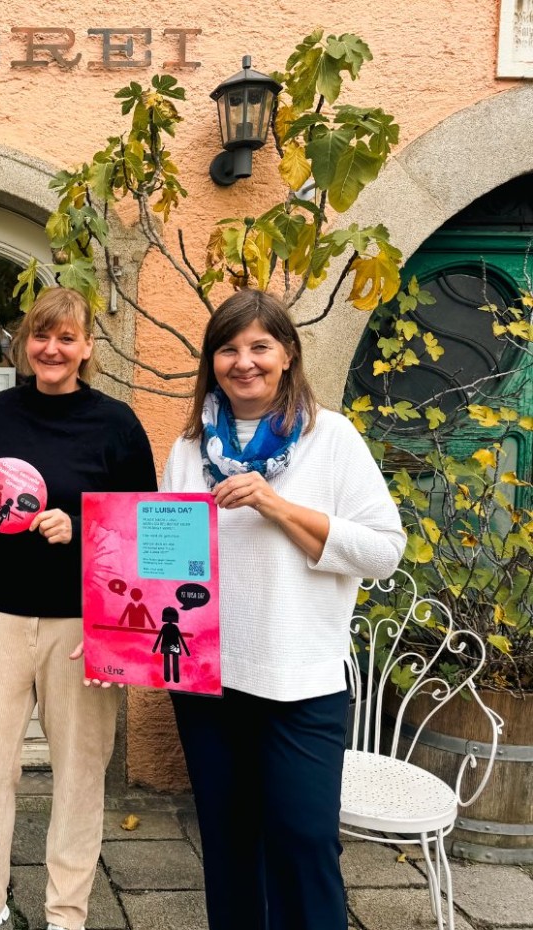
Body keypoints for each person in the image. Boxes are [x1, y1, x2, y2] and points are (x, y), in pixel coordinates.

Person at [160, 289, 405, 930]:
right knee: (228, 845)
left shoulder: (331, 438)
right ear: (212, 362)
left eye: (260, 347)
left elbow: (384, 552)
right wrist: (119, 637)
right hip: (208, 682)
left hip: (301, 681)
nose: (244, 362)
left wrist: (276, 505)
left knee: (305, 843)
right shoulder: (189, 449)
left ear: (288, 354)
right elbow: (163, 565)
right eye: (228, 349)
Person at [0, 287, 157, 930]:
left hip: (82, 621)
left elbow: (147, 529)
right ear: (25, 344)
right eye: (41, 335)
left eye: (67, 337)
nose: (52, 348)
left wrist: (82, 527)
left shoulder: (116, 423)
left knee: (80, 771)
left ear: (87, 346)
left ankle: (66, 912)